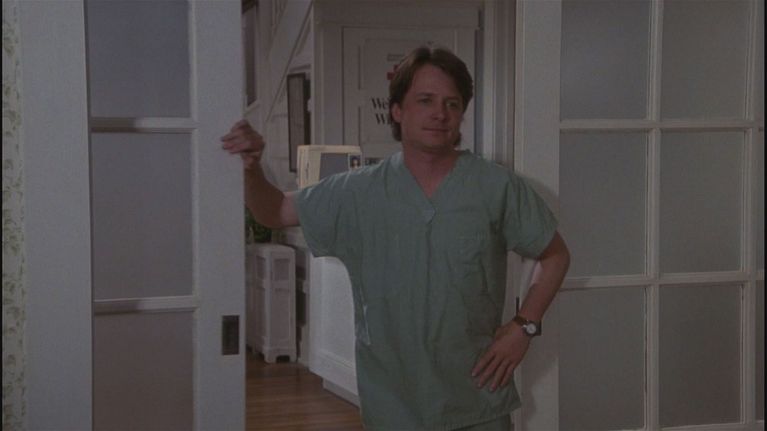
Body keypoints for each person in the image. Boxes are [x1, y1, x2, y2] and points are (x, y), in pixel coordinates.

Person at [222, 46, 570, 431]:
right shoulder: (358, 193)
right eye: (425, 100)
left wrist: (524, 327)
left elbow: (555, 255)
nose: (440, 113)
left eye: (452, 103)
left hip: (477, 396)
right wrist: (251, 168)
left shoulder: (495, 186)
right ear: (397, 111)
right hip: (393, 403)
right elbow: (274, 211)